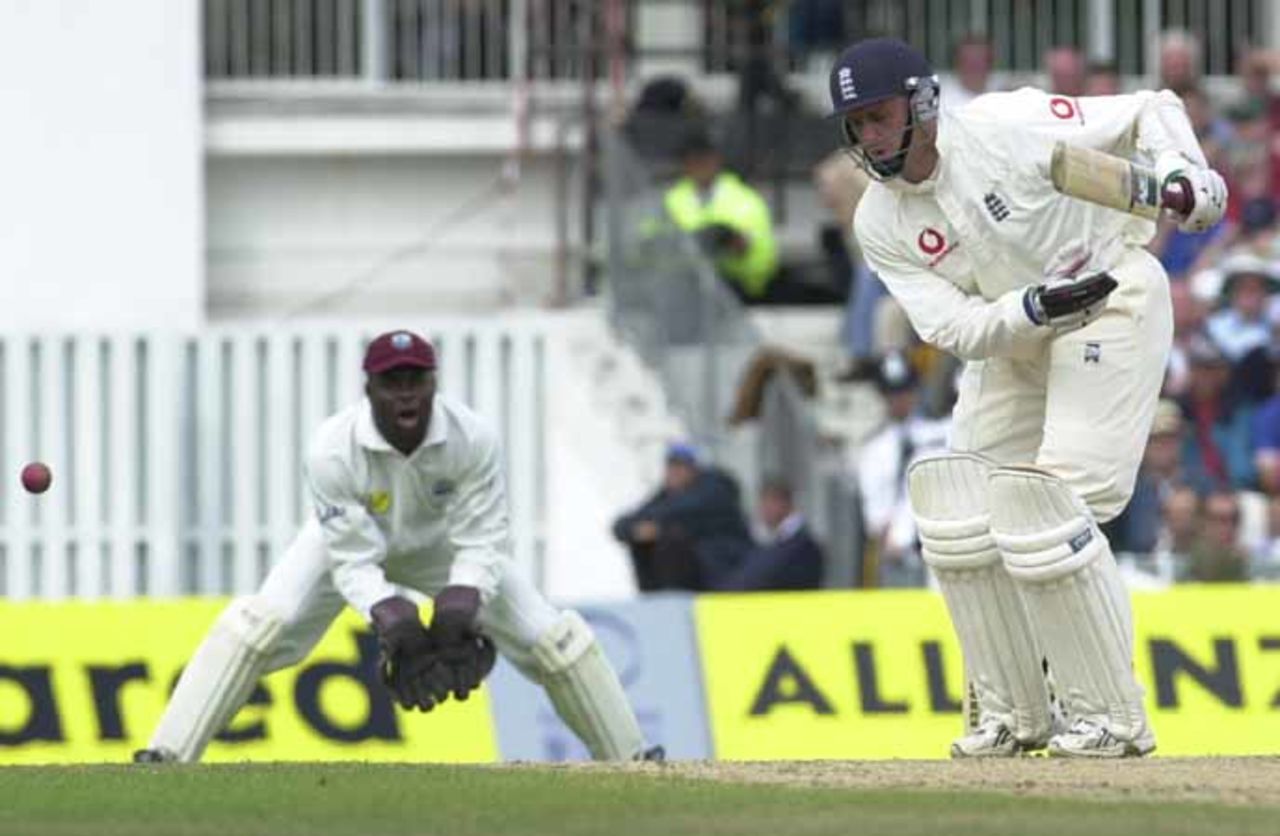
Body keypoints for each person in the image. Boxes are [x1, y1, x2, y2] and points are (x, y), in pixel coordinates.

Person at [827, 37, 1227, 757]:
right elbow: (950, 326)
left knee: (1052, 508)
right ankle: (1014, 714)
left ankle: (1113, 718)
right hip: (1014, 329)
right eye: (857, 123)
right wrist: (1031, 311)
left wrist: (1182, 173)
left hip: (1110, 298)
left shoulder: (1008, 126)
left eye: (880, 115)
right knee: (960, 513)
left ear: (920, 102)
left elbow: (1148, 109)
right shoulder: (878, 221)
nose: (871, 136)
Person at [135, 330, 659, 763]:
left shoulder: (472, 437)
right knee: (257, 625)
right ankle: (166, 756)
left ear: (433, 383)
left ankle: (633, 762)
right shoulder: (331, 449)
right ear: (370, 388)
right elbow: (350, 554)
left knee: (554, 641)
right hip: (346, 545)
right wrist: (390, 614)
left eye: (416, 380)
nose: (405, 393)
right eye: (392, 382)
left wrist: (463, 598)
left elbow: (481, 535)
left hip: (441, 543)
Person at [854, 351, 948, 587]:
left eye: (904, 392)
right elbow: (875, 515)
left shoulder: (939, 434)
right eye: (891, 394)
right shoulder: (873, 448)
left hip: (936, 544)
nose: (899, 400)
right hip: (898, 553)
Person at [612, 442, 752, 592]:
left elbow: (683, 510)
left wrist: (657, 526)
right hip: (691, 576)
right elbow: (621, 525)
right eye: (671, 466)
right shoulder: (666, 496)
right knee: (644, 540)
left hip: (728, 573)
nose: (675, 472)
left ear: (695, 470)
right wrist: (638, 530)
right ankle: (657, 599)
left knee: (671, 537)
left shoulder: (715, 488)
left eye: (681, 467)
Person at [662, 128, 779, 303]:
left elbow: (765, 261)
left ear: (717, 159)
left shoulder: (747, 200)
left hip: (734, 291)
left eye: (703, 158)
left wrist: (742, 250)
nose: (698, 165)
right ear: (684, 163)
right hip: (683, 293)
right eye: (692, 159)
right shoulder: (670, 201)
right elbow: (653, 250)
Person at [714, 478, 825, 591]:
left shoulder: (801, 545)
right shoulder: (777, 541)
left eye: (765, 504)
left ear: (781, 502)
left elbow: (764, 577)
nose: (762, 511)